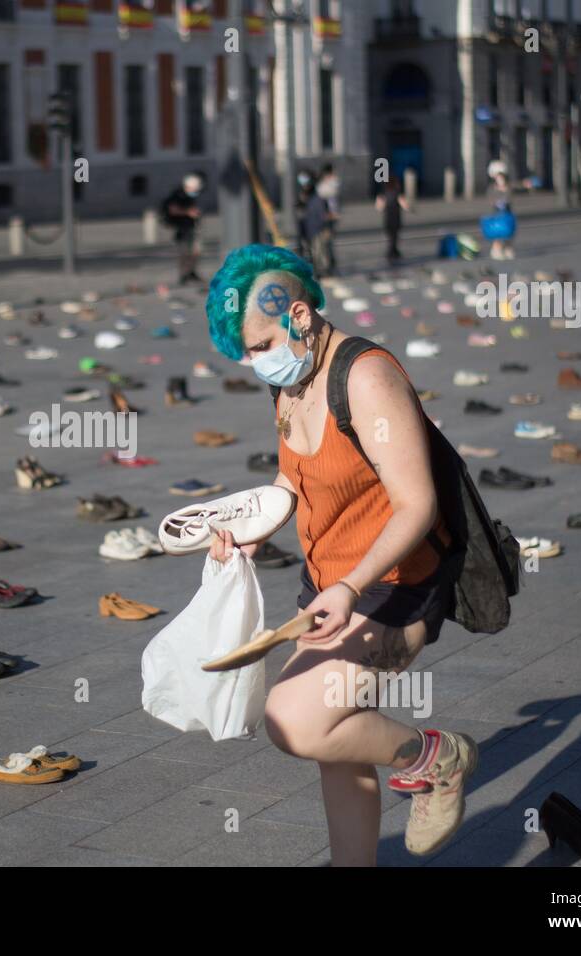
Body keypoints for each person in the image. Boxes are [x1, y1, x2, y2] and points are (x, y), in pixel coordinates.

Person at [204, 244, 477, 865]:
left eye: (259, 345)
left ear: (299, 315)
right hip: (332, 583)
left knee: (296, 720)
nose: (254, 364)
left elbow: (416, 505)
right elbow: (292, 481)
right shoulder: (293, 379)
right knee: (336, 744)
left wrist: (352, 585)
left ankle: (437, 758)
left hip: (395, 583)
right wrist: (249, 530)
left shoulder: (367, 378)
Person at [162, 173, 205, 286]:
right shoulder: (177, 196)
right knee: (184, 252)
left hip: (192, 227)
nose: (195, 192)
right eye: (194, 189)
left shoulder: (189, 197)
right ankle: (184, 275)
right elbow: (172, 210)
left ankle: (191, 272)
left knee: (196, 251)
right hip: (182, 229)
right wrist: (188, 212)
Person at [375, 175, 410, 262]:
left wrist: (381, 206)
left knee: (391, 235)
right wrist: (410, 208)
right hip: (396, 216)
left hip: (388, 216)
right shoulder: (397, 192)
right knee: (395, 235)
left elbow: (379, 207)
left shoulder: (383, 193)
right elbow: (404, 205)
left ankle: (393, 251)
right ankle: (392, 252)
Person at [486, 166, 515, 260]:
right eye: (499, 178)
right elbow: (490, 200)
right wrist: (496, 202)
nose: (500, 180)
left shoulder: (508, 188)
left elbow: (510, 198)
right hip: (496, 214)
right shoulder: (492, 188)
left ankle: (508, 249)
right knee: (497, 233)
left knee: (508, 233)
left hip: (507, 213)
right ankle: (496, 250)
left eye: (502, 178)